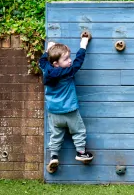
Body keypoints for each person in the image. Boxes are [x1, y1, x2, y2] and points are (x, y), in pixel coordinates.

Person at [39, 31, 93, 173]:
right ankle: (81, 153)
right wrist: (83, 44)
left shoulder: (46, 69)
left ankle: (54, 156)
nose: (69, 61)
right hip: (70, 111)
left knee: (55, 135)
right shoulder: (67, 72)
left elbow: (42, 61)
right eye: (66, 59)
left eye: (69, 58)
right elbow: (78, 62)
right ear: (56, 63)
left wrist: (48, 49)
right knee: (79, 131)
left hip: (54, 112)